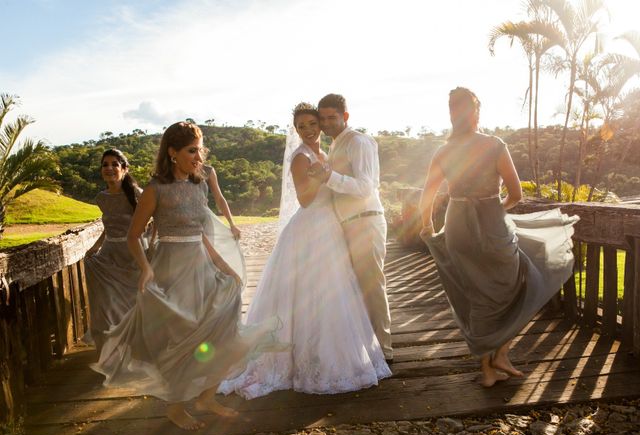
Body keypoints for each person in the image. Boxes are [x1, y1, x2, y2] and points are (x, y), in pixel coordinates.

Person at [92, 122, 281, 430]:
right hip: (170, 268)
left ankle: (206, 397)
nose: (198, 156)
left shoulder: (199, 184)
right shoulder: (156, 189)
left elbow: (202, 235)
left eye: (200, 149)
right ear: (173, 153)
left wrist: (224, 266)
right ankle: (176, 407)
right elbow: (133, 235)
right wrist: (146, 268)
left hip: (201, 265)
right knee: (181, 337)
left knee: (223, 325)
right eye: (192, 150)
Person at [219, 103, 391, 399]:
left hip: (332, 228)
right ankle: (300, 361)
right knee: (310, 291)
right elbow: (305, 201)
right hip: (312, 227)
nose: (309, 130)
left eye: (314, 124)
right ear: (296, 130)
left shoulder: (326, 153)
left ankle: (326, 354)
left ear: (321, 125)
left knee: (331, 293)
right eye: (302, 126)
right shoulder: (301, 158)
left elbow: (344, 184)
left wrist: (325, 174)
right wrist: (316, 178)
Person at [419, 87, 578, 387]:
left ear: (452, 114)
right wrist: (494, 210)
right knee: (522, 282)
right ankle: (502, 351)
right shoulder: (494, 145)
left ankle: (488, 369)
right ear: (476, 113)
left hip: (457, 225)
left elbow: (427, 195)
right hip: (491, 223)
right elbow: (516, 194)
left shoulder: (443, 152)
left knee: (476, 292)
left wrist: (427, 225)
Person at [308, 93, 393, 363]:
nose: (326, 123)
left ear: (345, 116)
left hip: (366, 221)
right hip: (346, 224)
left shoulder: (358, 142)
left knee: (371, 285)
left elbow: (366, 186)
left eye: (332, 117)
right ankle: (366, 349)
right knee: (356, 287)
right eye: (322, 118)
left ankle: (384, 350)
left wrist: (328, 176)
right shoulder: (335, 145)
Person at [84, 149, 142, 353]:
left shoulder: (136, 194)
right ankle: (113, 344)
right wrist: (96, 246)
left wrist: (151, 245)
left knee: (135, 299)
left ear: (124, 169)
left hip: (133, 252)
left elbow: (152, 221)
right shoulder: (102, 197)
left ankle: (136, 345)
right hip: (110, 253)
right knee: (108, 299)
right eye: (105, 164)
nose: (109, 168)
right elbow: (109, 226)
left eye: (114, 164)